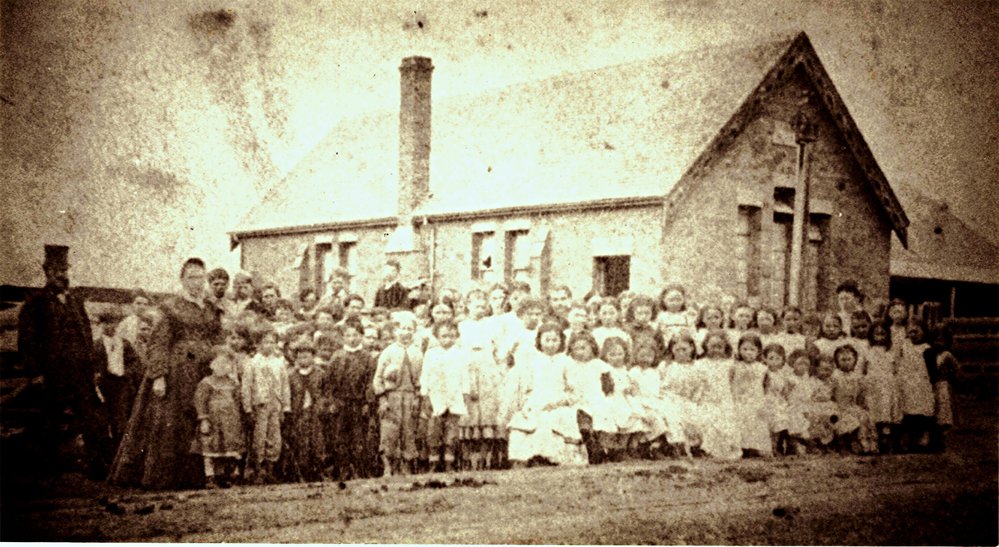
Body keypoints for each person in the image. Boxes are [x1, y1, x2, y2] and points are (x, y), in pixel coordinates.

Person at [110, 257, 223, 489]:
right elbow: (158, 344)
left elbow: (218, 339)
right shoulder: (169, 308)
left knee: (202, 418)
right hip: (178, 374)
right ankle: (163, 477)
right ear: (182, 280)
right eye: (191, 277)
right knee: (171, 422)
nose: (197, 282)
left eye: (201, 277)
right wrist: (159, 376)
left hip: (205, 372)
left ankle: (199, 476)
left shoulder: (211, 309)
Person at [18, 244, 107, 477]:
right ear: (47, 272)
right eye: (57, 270)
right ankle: (47, 470)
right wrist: (35, 373)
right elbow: (27, 341)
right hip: (53, 374)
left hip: (81, 373)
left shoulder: (75, 302)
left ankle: (96, 466)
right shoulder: (35, 304)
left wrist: (93, 367)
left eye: (65, 270)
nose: (62, 274)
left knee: (91, 418)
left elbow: (87, 335)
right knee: (50, 421)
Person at [499, 322, 588, 467]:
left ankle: (554, 458)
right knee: (527, 420)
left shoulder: (566, 362)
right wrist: (528, 403)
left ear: (561, 341)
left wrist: (561, 402)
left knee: (555, 418)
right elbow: (527, 387)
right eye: (547, 340)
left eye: (555, 340)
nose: (551, 344)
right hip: (536, 400)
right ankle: (530, 457)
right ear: (539, 341)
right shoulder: (533, 362)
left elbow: (574, 389)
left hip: (559, 401)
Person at [372, 311, 425, 476]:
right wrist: (382, 399)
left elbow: (422, 378)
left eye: (409, 329)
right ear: (395, 331)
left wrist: (418, 397)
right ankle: (388, 467)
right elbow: (378, 378)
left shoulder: (418, 353)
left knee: (408, 431)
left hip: (410, 397)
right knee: (389, 431)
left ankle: (406, 465)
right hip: (392, 396)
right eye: (402, 328)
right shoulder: (388, 352)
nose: (405, 332)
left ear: (414, 332)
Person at [325, 318, 377, 479]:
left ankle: (359, 470)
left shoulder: (367, 357)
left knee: (359, 438)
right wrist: (332, 402)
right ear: (343, 337)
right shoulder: (337, 357)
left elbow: (370, 382)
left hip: (359, 403)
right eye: (348, 335)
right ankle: (343, 469)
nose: (352, 338)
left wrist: (368, 403)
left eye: (355, 335)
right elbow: (329, 382)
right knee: (340, 437)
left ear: (361, 336)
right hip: (341, 403)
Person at [241, 326, 291, 484]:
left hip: (275, 405)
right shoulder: (252, 363)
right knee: (259, 438)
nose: (269, 345)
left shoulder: (279, 363)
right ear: (258, 344)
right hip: (260, 405)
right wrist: (248, 408)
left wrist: (286, 406)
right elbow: (246, 386)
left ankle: (270, 469)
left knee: (274, 437)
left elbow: (284, 385)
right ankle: (258, 470)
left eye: (272, 342)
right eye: (265, 342)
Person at [420, 321, 471, 472]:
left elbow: (465, 376)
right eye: (443, 336)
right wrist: (425, 395)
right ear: (436, 336)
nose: (447, 339)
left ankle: (449, 462)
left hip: (454, 396)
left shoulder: (460, 353)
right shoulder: (431, 354)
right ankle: (434, 462)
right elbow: (425, 376)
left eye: (451, 336)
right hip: (436, 396)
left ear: (456, 336)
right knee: (434, 431)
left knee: (452, 432)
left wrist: (465, 394)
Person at [191, 350, 245, 489]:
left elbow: (237, 401)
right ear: (211, 365)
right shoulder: (206, 383)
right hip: (213, 422)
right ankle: (210, 477)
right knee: (211, 448)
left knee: (226, 449)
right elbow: (200, 401)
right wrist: (204, 419)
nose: (223, 366)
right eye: (219, 363)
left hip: (229, 423)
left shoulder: (233, 383)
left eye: (227, 364)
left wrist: (237, 419)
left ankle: (224, 476)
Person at [93, 309, 143, 457]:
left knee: (120, 420)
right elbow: (91, 364)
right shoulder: (96, 345)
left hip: (121, 386)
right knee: (101, 420)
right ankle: (104, 454)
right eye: (107, 323)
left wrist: (126, 373)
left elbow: (135, 363)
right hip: (103, 385)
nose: (111, 326)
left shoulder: (124, 344)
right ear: (102, 325)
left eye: (114, 323)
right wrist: (97, 376)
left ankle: (119, 454)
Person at [285, 339, 327, 482]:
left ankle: (319, 471)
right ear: (296, 358)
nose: (303, 359)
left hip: (316, 413)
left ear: (313, 357)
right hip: (299, 413)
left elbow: (326, 393)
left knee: (317, 442)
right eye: (300, 356)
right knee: (300, 442)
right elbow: (288, 395)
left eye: (307, 356)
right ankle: (302, 473)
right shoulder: (291, 376)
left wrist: (322, 407)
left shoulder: (320, 374)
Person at [731, 333, 772, 457]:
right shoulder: (735, 367)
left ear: (759, 352)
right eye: (745, 349)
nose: (748, 352)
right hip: (740, 400)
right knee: (741, 421)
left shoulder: (762, 368)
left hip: (756, 400)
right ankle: (742, 447)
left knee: (757, 423)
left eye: (752, 350)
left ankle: (757, 447)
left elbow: (766, 385)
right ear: (739, 350)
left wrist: (763, 399)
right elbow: (730, 383)